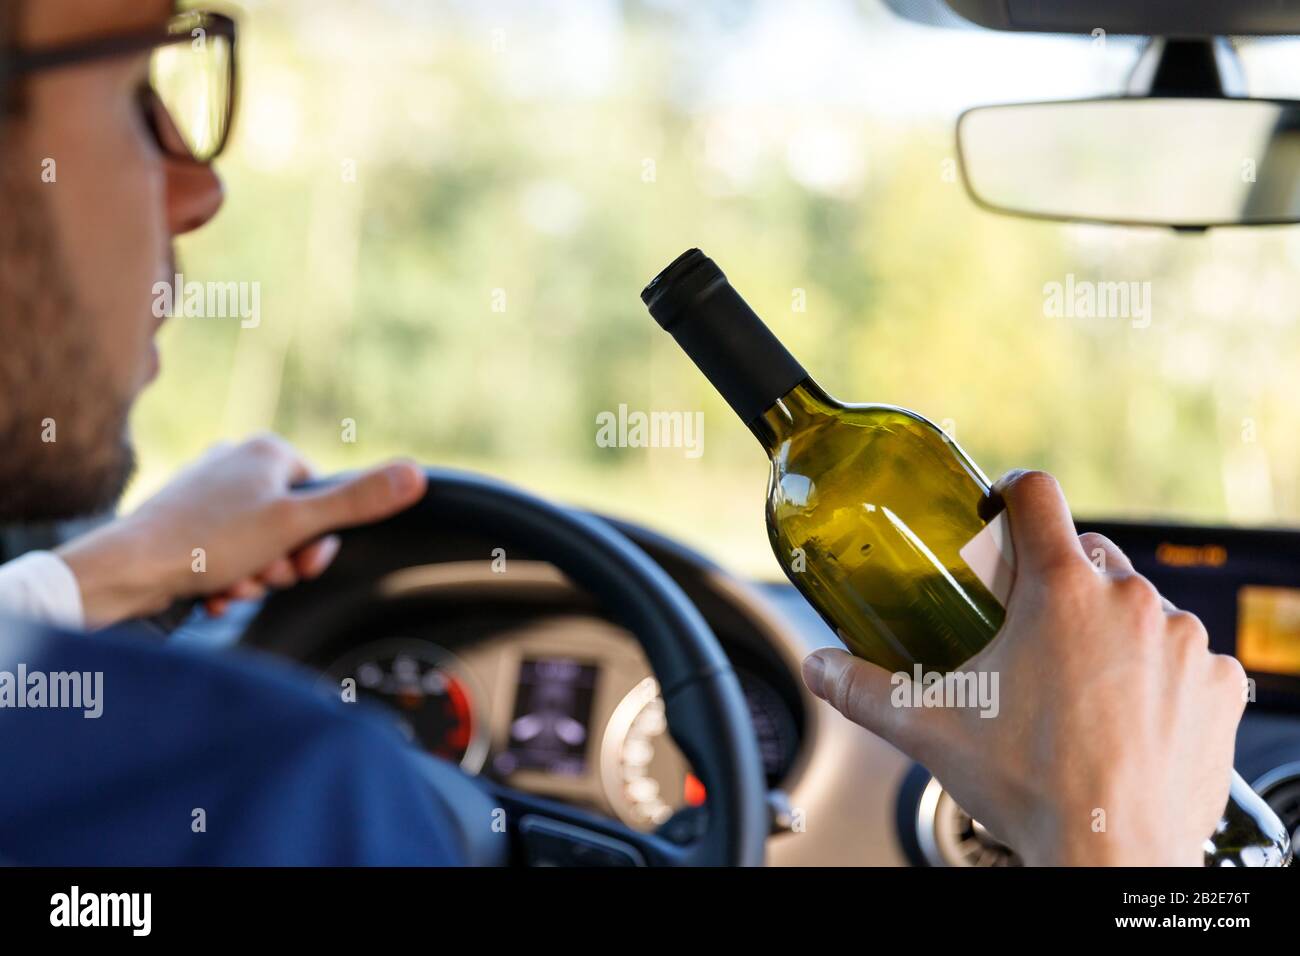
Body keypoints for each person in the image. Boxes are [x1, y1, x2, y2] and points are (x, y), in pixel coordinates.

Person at [0, 0, 1248, 867]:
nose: (200, 186)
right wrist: (1115, 828)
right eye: (136, 88)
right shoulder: (277, 786)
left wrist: (103, 569)